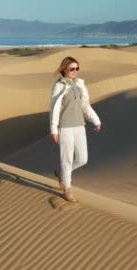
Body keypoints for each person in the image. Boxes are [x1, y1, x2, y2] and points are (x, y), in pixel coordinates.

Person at [50, 56, 101, 202]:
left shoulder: (79, 84)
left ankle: (63, 176)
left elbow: (85, 105)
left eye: (77, 68)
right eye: (72, 68)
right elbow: (55, 108)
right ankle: (67, 189)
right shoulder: (59, 86)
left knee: (83, 159)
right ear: (64, 69)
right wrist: (54, 128)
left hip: (80, 126)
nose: (75, 71)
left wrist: (95, 120)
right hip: (65, 127)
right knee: (66, 160)